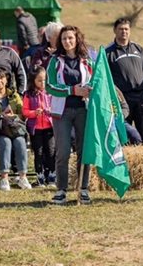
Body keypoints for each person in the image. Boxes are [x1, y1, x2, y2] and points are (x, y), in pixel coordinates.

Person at [46, 25, 94, 205]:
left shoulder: (88, 61)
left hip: (84, 110)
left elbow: (96, 79)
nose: (67, 41)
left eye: (70, 38)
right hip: (62, 112)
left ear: (77, 39)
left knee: (84, 150)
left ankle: (83, 189)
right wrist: (72, 90)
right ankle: (61, 190)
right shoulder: (55, 61)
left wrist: (90, 89)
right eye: (64, 38)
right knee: (63, 150)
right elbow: (49, 86)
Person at [0, 67, 32, 191]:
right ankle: (4, 178)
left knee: (20, 142)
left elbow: (23, 114)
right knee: (5, 142)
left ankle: (23, 176)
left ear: (7, 79)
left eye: (2, 78)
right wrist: (0, 115)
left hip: (14, 129)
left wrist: (13, 115)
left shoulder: (14, 95)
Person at [106, 18, 143, 133]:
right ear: (114, 30)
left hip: (141, 97)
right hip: (122, 99)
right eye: (120, 29)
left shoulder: (138, 49)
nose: (124, 31)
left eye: (126, 29)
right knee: (125, 133)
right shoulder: (108, 52)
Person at [23, 65, 56, 187]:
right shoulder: (28, 95)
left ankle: (51, 176)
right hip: (35, 129)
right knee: (38, 152)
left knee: (51, 151)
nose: (42, 83)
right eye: (39, 80)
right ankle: (39, 176)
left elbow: (56, 108)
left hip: (49, 127)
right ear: (33, 81)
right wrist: (34, 113)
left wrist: (49, 111)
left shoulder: (51, 93)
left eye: (44, 80)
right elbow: (25, 111)